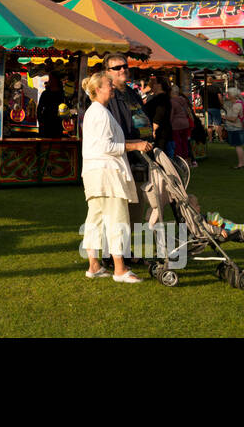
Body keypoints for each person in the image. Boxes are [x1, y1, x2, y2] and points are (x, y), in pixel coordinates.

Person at [80, 71, 153, 283]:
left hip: (97, 173)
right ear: (97, 90)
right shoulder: (100, 113)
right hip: (106, 173)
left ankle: (94, 265)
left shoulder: (98, 111)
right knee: (117, 219)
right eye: (108, 84)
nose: (112, 86)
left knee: (96, 219)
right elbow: (106, 146)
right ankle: (119, 269)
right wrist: (135, 145)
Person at [143, 75, 174, 157]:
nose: (152, 85)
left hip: (160, 134)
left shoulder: (162, 99)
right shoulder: (159, 98)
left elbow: (159, 114)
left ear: (160, 85)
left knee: (161, 157)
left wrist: (153, 130)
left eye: (155, 83)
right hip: (161, 132)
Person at [222, 87, 244, 170]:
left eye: (228, 94)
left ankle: (241, 164)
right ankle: (242, 163)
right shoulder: (234, 103)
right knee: (238, 146)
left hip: (236, 128)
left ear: (232, 95)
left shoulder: (237, 105)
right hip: (235, 128)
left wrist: (224, 117)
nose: (227, 95)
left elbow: (233, 119)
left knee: (238, 146)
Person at [169, 84, 195, 164]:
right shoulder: (183, 100)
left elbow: (171, 115)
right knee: (185, 143)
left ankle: (180, 161)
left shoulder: (172, 102)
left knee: (178, 144)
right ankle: (187, 160)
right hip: (185, 123)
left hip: (176, 125)